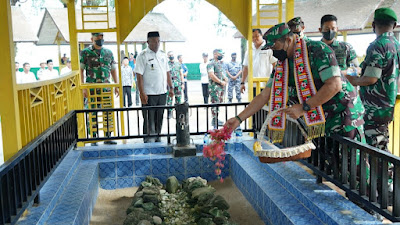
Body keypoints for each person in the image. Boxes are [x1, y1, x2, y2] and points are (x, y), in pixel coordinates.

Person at [225, 23, 364, 144]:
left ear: (289, 40)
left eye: (275, 47)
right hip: (319, 117)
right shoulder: (283, 63)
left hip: (344, 114)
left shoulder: (318, 50)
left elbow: (334, 85)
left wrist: (304, 107)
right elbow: (264, 95)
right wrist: (238, 119)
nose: (273, 52)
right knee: (326, 166)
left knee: (351, 165)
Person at [346, 8, 400, 152]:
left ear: (374, 24)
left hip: (374, 108)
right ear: (394, 25)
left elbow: (370, 78)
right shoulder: (396, 45)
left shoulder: (378, 45)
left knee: (376, 149)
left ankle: (387, 174)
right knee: (381, 144)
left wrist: (354, 80)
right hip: (387, 105)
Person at [80, 32, 119, 145]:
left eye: (102, 37)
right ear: (92, 39)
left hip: (106, 87)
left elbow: (113, 70)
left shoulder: (108, 52)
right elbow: (81, 70)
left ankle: (108, 136)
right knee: (92, 112)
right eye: (98, 37)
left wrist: (116, 85)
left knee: (108, 112)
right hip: (91, 88)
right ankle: (94, 137)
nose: (100, 39)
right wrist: (83, 87)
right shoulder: (85, 52)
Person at [134, 31, 174, 143]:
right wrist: (142, 93)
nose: (157, 44)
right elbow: (139, 75)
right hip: (149, 94)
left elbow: (167, 72)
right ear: (148, 42)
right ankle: (148, 140)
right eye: (154, 42)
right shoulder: (142, 56)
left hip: (162, 92)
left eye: (158, 41)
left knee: (159, 117)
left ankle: (157, 137)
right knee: (148, 119)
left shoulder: (162, 54)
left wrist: (171, 88)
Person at [240, 29, 277, 94]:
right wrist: (242, 82)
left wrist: (275, 81)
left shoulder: (269, 48)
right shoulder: (249, 50)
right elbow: (246, 68)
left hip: (266, 84)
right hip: (253, 85)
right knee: (254, 103)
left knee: (267, 103)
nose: (254, 39)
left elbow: (275, 65)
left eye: (257, 36)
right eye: (252, 37)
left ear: (261, 35)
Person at [208, 49, 228, 128]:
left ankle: (216, 118)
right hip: (214, 88)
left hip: (220, 88)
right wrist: (220, 82)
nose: (222, 56)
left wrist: (225, 78)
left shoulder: (219, 63)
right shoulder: (211, 63)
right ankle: (214, 120)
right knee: (215, 103)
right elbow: (211, 75)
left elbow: (220, 73)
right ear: (215, 54)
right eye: (220, 54)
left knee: (218, 103)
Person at [166, 51, 185, 118]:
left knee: (179, 99)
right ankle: (169, 113)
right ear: (168, 56)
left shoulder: (178, 64)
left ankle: (178, 113)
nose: (171, 56)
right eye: (169, 55)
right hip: (170, 85)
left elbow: (181, 74)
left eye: (172, 55)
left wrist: (182, 83)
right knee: (169, 99)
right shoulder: (166, 64)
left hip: (178, 84)